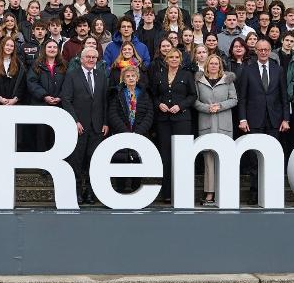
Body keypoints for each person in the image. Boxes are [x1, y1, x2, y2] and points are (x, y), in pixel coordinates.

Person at [237, 40, 290, 198]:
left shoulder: (278, 70)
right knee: (255, 158)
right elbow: (243, 98)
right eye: (260, 50)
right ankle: (255, 192)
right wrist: (243, 119)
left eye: (266, 50)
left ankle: (271, 192)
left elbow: (284, 97)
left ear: (270, 51)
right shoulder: (247, 70)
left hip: (274, 119)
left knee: (272, 156)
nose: (263, 52)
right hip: (254, 120)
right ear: (256, 51)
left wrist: (286, 119)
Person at [61, 46, 109, 204]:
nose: (90, 60)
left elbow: (104, 101)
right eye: (87, 57)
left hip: (97, 127)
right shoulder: (72, 75)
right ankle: (77, 192)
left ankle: (90, 192)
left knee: (93, 160)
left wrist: (105, 122)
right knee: (77, 160)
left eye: (93, 57)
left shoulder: (101, 75)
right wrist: (74, 121)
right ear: (81, 59)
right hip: (78, 126)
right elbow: (66, 99)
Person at [149, 48, 196, 203]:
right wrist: (159, 104)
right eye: (171, 57)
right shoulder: (158, 75)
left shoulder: (187, 75)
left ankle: (182, 191)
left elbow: (193, 96)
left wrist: (181, 106)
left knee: (182, 156)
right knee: (165, 156)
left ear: (180, 59)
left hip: (182, 120)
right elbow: (154, 95)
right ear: (166, 59)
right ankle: (167, 193)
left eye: (177, 57)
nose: (174, 59)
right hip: (163, 120)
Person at [195, 54, 239, 205]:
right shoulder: (199, 81)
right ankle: (209, 193)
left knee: (224, 159)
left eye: (216, 64)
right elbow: (194, 100)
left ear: (220, 66)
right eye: (211, 63)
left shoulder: (228, 81)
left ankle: (225, 191)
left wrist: (220, 106)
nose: (214, 66)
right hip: (206, 123)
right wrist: (207, 108)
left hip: (223, 125)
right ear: (206, 65)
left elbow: (234, 99)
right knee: (208, 160)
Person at [106, 63, 155, 195]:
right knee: (121, 161)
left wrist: (138, 132)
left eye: (133, 76)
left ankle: (136, 188)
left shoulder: (144, 93)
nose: (131, 78)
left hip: (141, 134)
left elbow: (149, 114)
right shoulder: (117, 93)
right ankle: (120, 189)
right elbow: (113, 114)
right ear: (123, 79)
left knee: (138, 161)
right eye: (128, 76)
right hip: (122, 134)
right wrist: (125, 132)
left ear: (137, 78)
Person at [0, 36, 26, 160]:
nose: (9, 48)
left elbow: (22, 84)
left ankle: (11, 155)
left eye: (11, 46)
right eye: (7, 45)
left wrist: (15, 99)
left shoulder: (18, 63)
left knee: (11, 131)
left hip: (13, 101)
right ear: (2, 46)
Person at [26, 39, 68, 150]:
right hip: (41, 105)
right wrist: (44, 96)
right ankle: (42, 164)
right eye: (49, 47)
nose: (52, 49)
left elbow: (68, 84)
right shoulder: (37, 65)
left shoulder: (64, 65)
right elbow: (31, 82)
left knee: (56, 135)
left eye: (54, 47)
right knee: (41, 135)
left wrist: (60, 97)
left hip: (59, 106)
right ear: (44, 49)